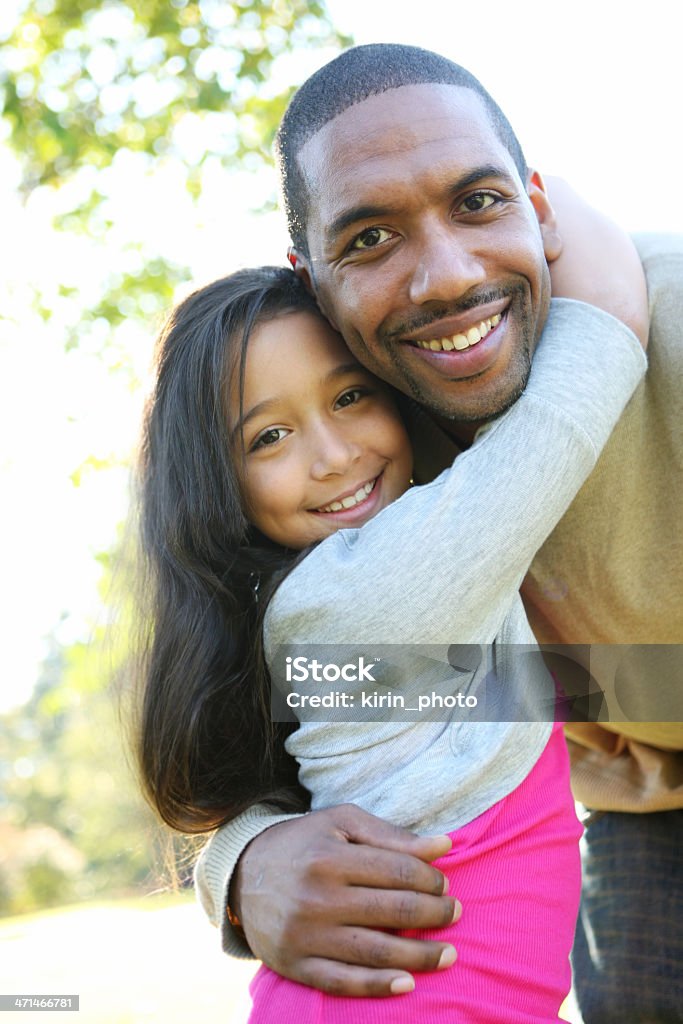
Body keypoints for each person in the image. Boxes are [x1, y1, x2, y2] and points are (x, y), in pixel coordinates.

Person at [194, 44, 683, 1024]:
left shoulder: (654, 318)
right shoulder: (356, 440)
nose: (445, 278)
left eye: (476, 203)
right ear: (313, 275)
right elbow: (315, 698)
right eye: (370, 237)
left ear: (534, 209)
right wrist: (244, 860)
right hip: (640, 795)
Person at [135, 252, 645, 1022]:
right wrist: (531, 200)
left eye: (350, 396)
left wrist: (232, 860)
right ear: (218, 483)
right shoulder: (371, 589)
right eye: (268, 436)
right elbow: (601, 336)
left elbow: (558, 681)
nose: (334, 455)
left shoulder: (337, 616)